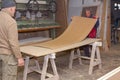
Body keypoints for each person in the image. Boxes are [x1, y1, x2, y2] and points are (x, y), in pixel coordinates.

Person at [0, 0, 24, 80]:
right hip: (8, 55)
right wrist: (19, 57)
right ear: (10, 9)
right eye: (14, 9)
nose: (14, 12)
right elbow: (13, 42)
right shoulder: (11, 22)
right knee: (9, 77)